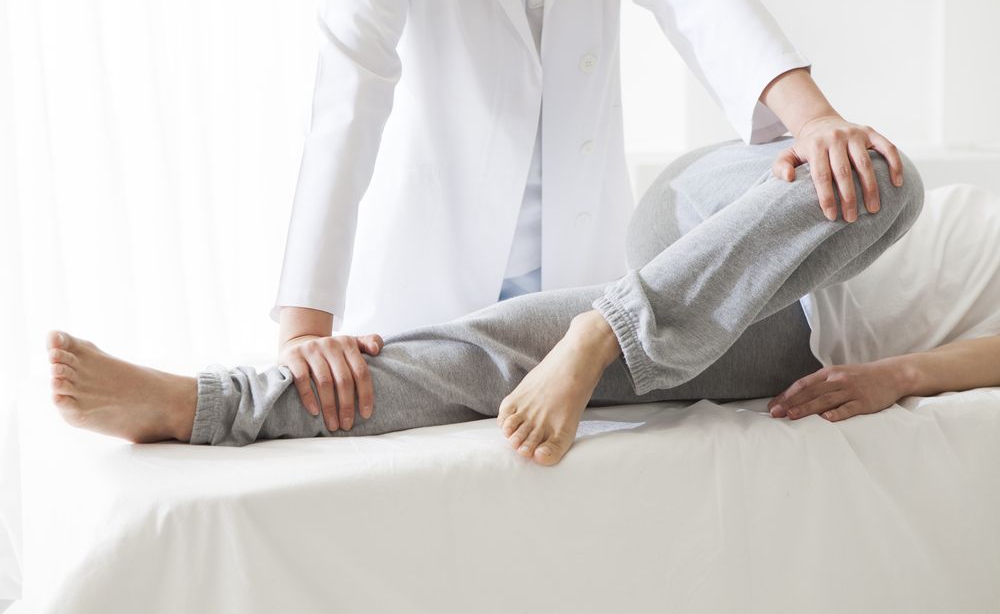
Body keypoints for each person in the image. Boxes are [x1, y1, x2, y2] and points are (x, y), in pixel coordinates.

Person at [46, 140, 1000, 466]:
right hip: (737, 215)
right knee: (885, 174)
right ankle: (608, 324)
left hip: (780, 327)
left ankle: (204, 403)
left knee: (492, 354)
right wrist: (806, 137)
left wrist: (900, 374)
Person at [271, 0, 907, 436]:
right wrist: (306, 326)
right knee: (373, 400)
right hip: (435, 267)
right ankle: (201, 404)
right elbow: (347, 95)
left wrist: (815, 119)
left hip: (577, 275)